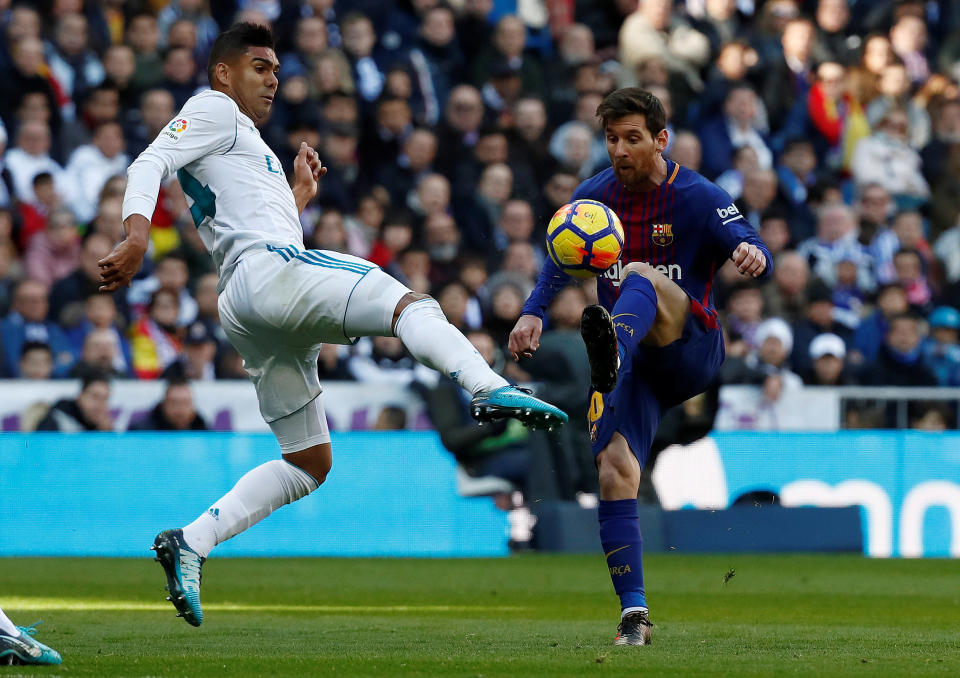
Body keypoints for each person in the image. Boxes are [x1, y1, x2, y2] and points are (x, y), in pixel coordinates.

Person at [99, 23, 566, 628]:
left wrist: (297, 197)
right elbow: (149, 161)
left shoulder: (244, 142)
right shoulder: (213, 108)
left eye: (275, 69)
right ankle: (486, 386)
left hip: (249, 299)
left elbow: (254, 223)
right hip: (266, 275)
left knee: (309, 462)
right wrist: (137, 234)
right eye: (260, 67)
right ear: (224, 72)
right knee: (408, 303)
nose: (273, 79)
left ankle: (191, 542)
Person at [509, 88, 772, 646]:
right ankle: (635, 616)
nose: (620, 150)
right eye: (612, 139)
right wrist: (532, 312)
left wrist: (753, 253)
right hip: (631, 372)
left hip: (689, 347)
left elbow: (747, 239)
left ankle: (615, 348)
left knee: (642, 275)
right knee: (614, 471)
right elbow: (560, 260)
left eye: (632, 138)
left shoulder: (698, 196)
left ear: (660, 139)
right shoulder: (593, 198)